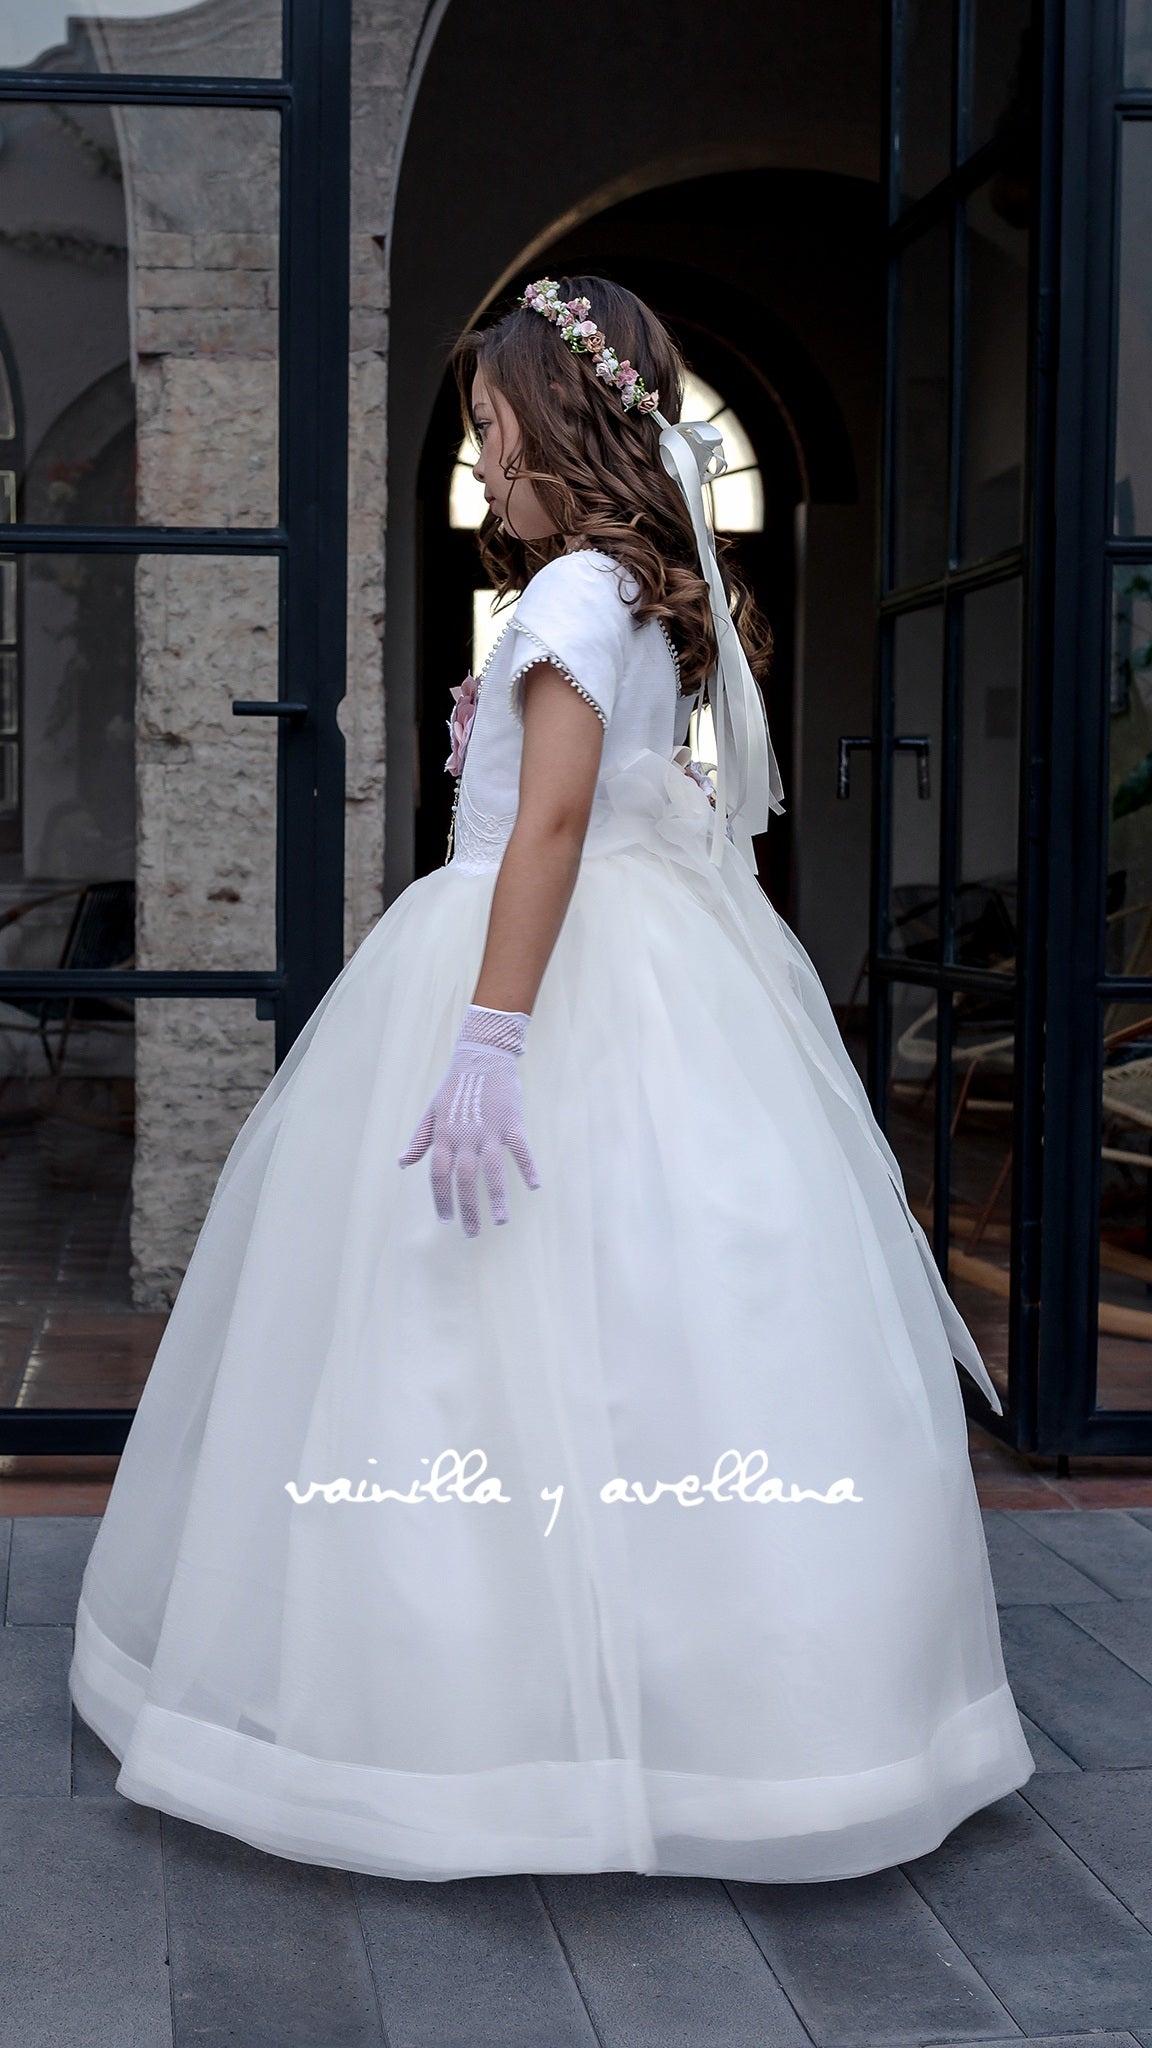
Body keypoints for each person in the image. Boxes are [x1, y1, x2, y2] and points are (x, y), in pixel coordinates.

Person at [69, 274, 1035, 1885]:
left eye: (492, 427)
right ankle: (722, 1704)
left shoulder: (580, 593)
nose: (483, 460)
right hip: (656, 974)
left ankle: (462, 1709)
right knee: (662, 1323)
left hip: (537, 959)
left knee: (464, 1318)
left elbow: (557, 824)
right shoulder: (641, 594)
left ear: (555, 423)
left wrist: (491, 1036)